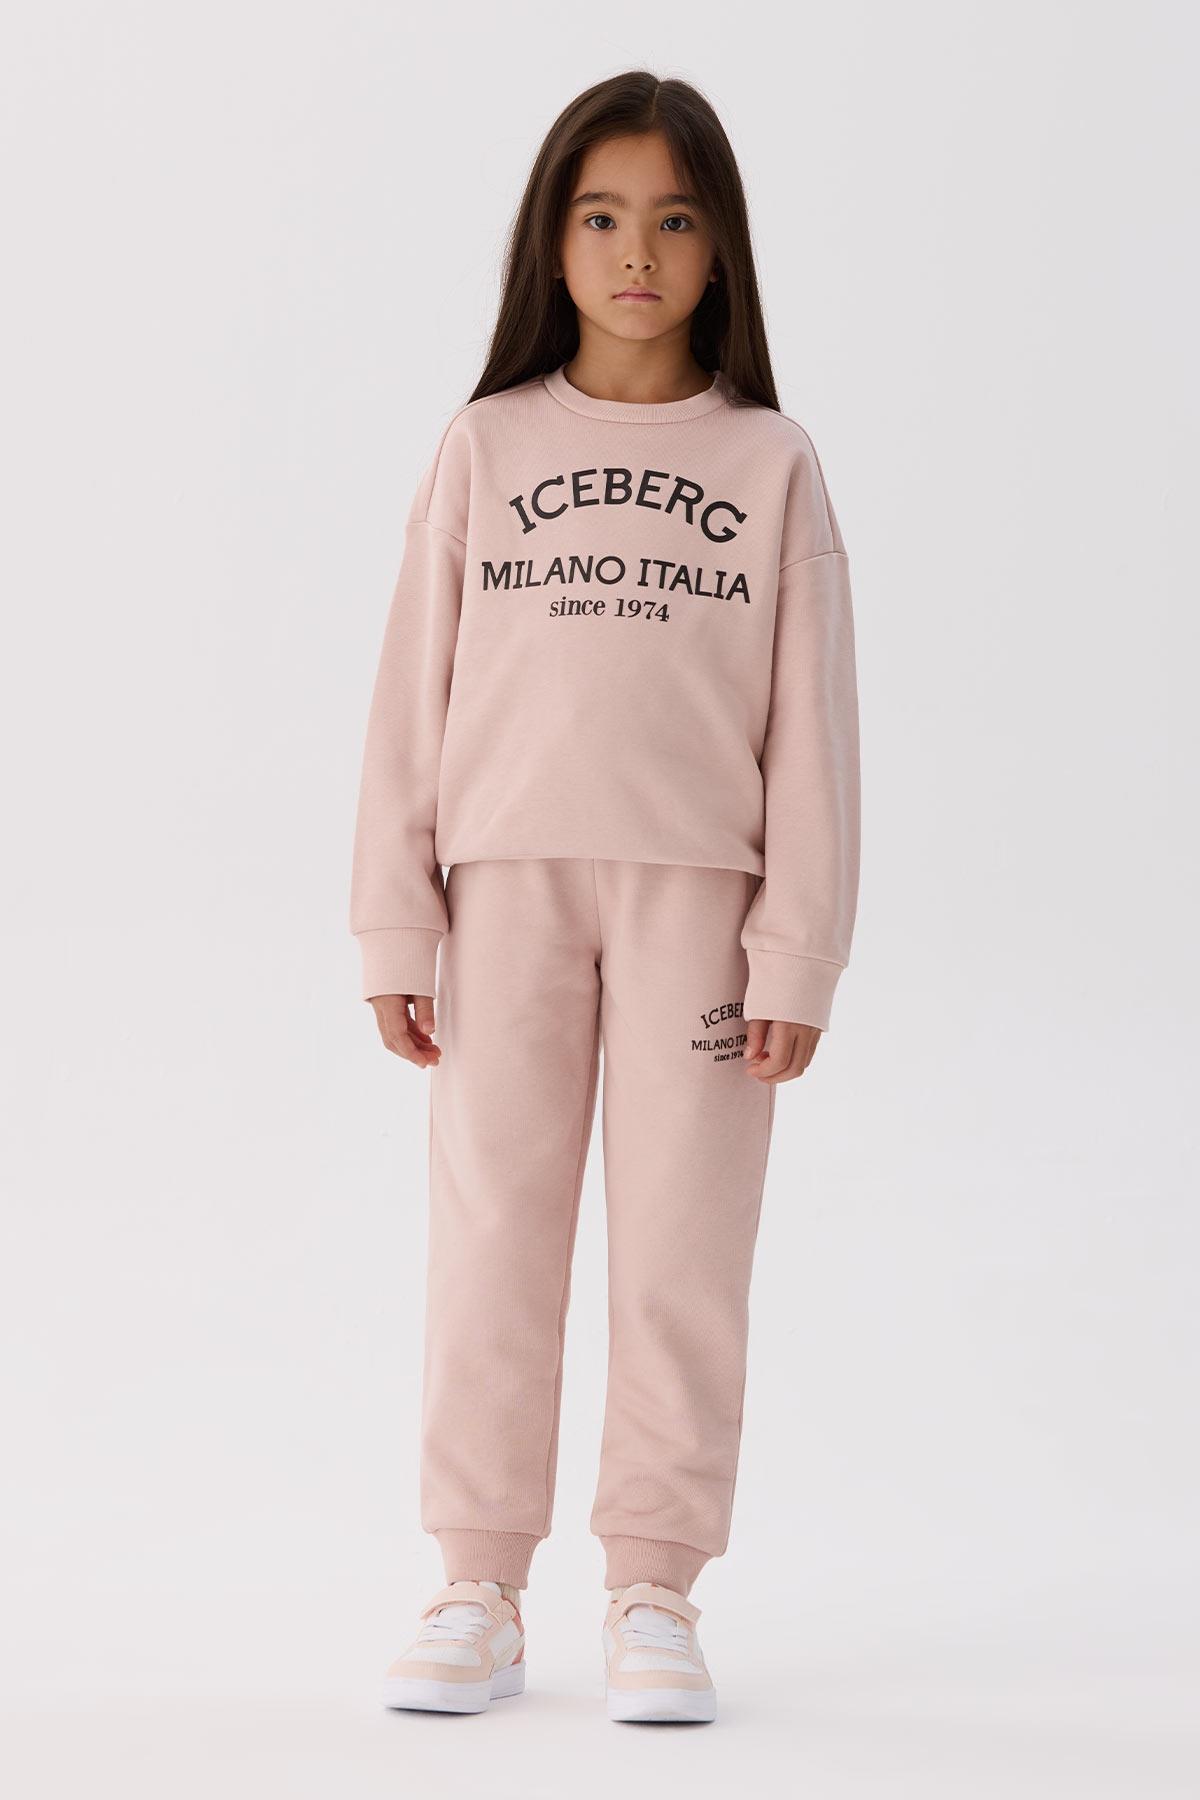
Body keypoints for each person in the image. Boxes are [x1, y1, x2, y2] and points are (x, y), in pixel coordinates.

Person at [349, 69, 861, 1724]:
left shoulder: (771, 464)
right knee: (494, 1231)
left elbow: (814, 726)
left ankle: (655, 1584)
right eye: (601, 216)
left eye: (674, 219)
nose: (636, 253)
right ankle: (477, 1581)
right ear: (552, 244)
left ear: (720, 251)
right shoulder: (486, 446)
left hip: (699, 908)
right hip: (503, 889)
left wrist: (797, 949)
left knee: (682, 1250)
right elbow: (411, 692)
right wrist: (395, 918)